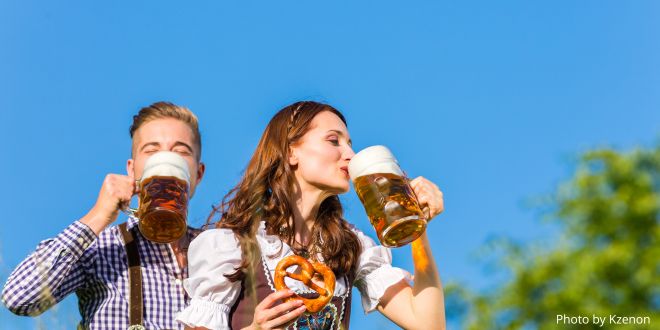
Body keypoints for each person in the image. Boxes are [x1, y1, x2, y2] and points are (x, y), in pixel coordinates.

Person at [177, 101, 445, 330]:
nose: (351, 155)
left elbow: (427, 324)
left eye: (350, 144)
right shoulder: (231, 246)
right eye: (334, 141)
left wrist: (416, 228)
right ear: (291, 151)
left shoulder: (351, 246)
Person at [2, 102, 206, 329]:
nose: (166, 160)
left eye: (180, 151)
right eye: (151, 150)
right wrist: (98, 215)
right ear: (132, 169)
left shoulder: (221, 251)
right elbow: (18, 299)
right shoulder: (101, 247)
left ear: (197, 173)